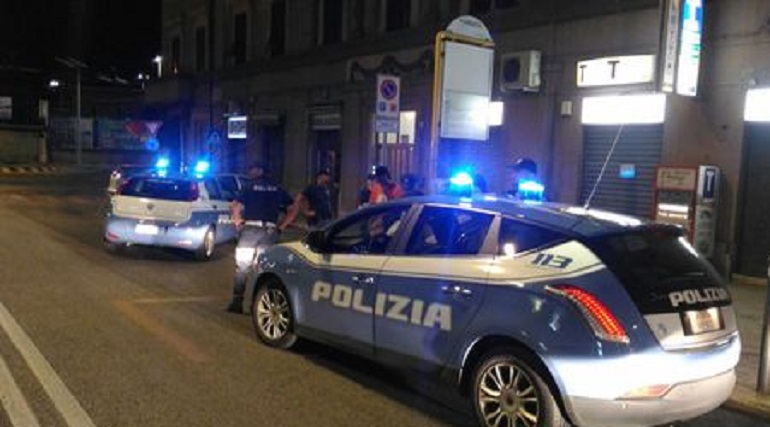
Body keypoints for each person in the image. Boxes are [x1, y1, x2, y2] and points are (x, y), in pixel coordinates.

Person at [227, 162, 294, 314]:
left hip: (250, 230)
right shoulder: (277, 188)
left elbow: (235, 205)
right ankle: (257, 306)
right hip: (270, 232)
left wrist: (237, 222)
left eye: (252, 169)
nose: (250, 172)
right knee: (264, 269)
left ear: (259, 171)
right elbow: (292, 208)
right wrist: (282, 226)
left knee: (242, 267)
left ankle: (237, 303)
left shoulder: (248, 186)